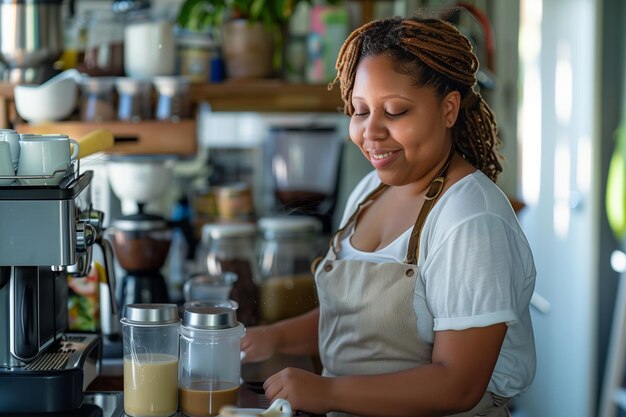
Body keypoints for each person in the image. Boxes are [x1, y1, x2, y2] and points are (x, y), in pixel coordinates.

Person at [241, 14, 536, 417]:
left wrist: (326, 393)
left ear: (449, 109)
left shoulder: (470, 219)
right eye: (360, 111)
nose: (371, 132)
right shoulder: (370, 192)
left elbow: (459, 384)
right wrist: (271, 339)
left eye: (395, 111)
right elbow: (356, 317)